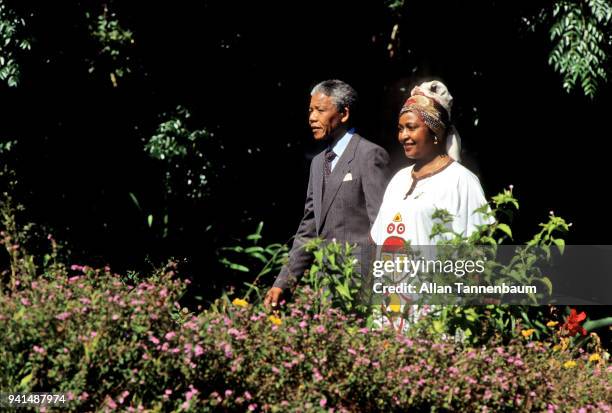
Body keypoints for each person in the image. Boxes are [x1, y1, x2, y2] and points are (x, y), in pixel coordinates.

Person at [370, 80, 493, 326]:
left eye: (411, 127)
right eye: (400, 128)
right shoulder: (398, 180)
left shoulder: (462, 181)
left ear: (435, 131)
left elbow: (479, 252)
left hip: (436, 310)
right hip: (390, 305)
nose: (403, 135)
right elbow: (380, 245)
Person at [264, 79, 391, 308]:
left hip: (360, 288)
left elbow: (382, 227)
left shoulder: (369, 155)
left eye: (320, 110)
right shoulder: (317, 163)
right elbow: (309, 228)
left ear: (343, 114)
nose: (312, 117)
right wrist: (283, 283)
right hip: (325, 290)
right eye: (310, 110)